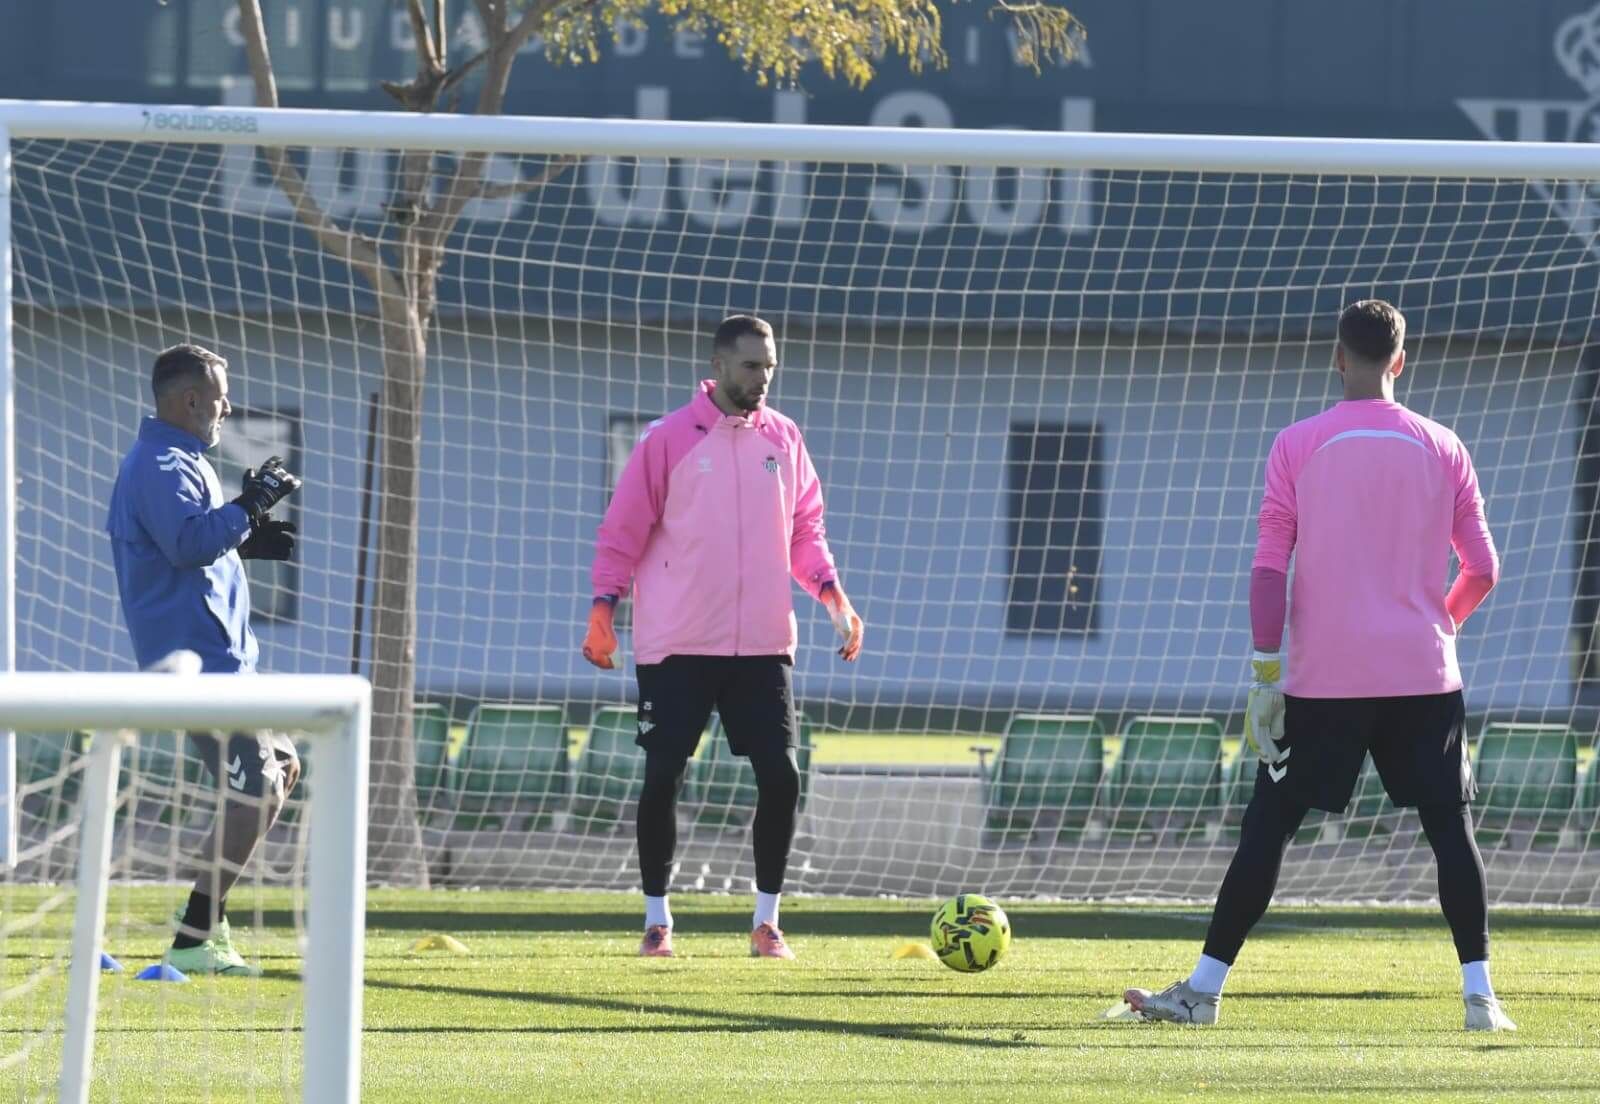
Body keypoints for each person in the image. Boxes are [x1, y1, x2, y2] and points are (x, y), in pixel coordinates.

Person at [1122, 300, 1514, 1032]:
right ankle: (1481, 999)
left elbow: (1270, 568)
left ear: (1339, 357)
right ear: (1400, 361)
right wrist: (1436, 626)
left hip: (1321, 681)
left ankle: (1203, 991)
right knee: (1450, 829)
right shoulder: (1445, 445)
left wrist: (1265, 675)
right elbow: (1484, 568)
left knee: (1268, 825)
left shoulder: (1298, 443)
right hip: (1423, 676)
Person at [583, 314, 864, 959]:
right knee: (663, 777)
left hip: (763, 642)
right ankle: (658, 920)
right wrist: (603, 609)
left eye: (770, 366)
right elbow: (620, 533)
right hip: (677, 643)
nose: (762, 378)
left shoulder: (785, 439)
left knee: (782, 777)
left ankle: (767, 922)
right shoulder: (667, 441)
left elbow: (805, 532)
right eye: (750, 366)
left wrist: (832, 595)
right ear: (718, 367)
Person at [106, 343, 304, 976]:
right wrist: (247, 509)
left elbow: (190, 547)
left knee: (282, 769)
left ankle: (201, 927)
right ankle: (195, 937)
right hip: (198, 667)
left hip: (227, 664)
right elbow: (190, 544)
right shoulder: (161, 462)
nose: (227, 406)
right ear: (189, 400)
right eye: (220, 396)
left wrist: (244, 540)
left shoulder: (182, 459)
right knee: (256, 791)